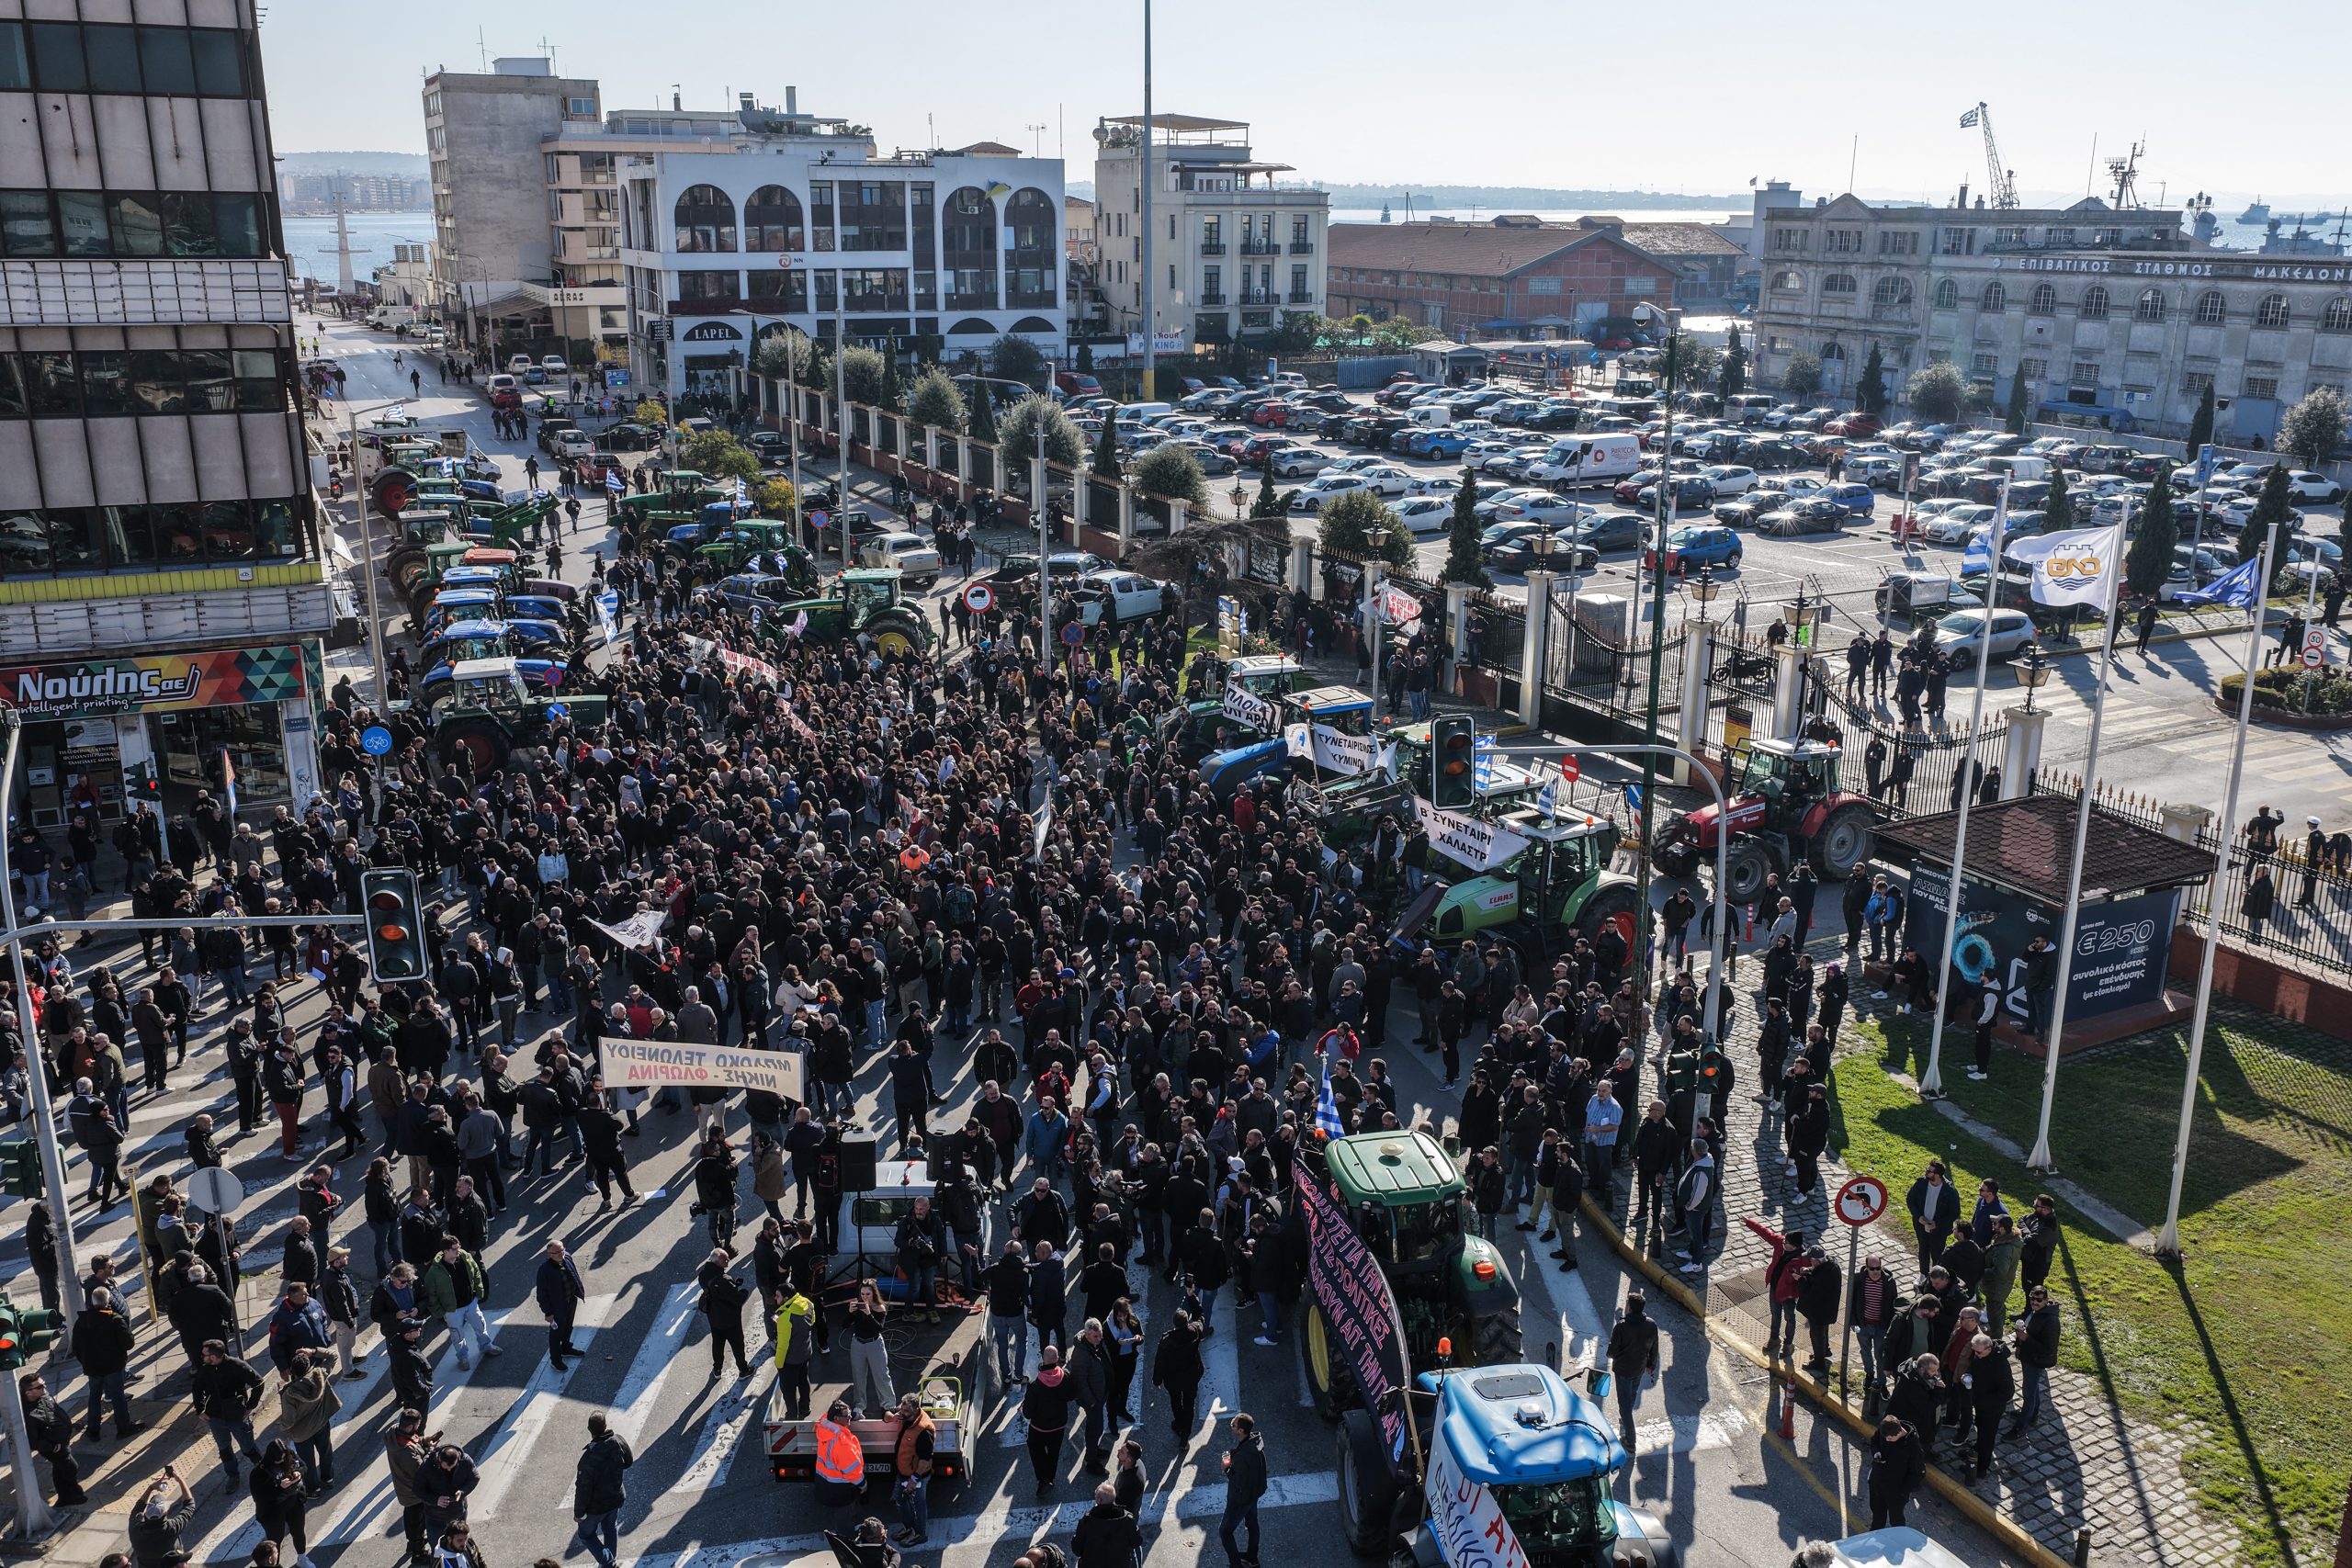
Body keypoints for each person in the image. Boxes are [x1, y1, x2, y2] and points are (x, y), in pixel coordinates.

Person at [193, 1337, 267, 1483]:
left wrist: (251, 1405)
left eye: (204, 1355)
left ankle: (263, 1470)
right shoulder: (205, 1370)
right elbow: (197, 1389)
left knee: (248, 1447)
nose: (202, 1357)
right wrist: (200, 1409)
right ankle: (233, 1476)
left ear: (213, 1357)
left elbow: (259, 1383)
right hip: (215, 1418)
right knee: (224, 1449)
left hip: (237, 1416)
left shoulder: (237, 1365)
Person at [572, 1410, 634, 1568]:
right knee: (610, 1529)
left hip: (596, 1508)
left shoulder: (587, 1460)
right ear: (605, 1425)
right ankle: (608, 1563)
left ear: (589, 1429)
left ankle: (608, 1563)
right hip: (615, 1498)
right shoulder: (617, 1441)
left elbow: (583, 1490)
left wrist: (579, 1514)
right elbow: (628, 1462)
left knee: (585, 1535)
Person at [20, 1371, 86, 1506]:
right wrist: (51, 1447)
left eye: (43, 1384)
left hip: (62, 1441)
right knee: (71, 1468)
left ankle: (69, 1495)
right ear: (28, 1392)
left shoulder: (44, 1396)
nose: (44, 1388)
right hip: (54, 1447)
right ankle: (68, 1495)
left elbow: (55, 1413)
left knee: (60, 1468)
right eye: (39, 1387)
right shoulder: (28, 1415)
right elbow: (33, 1440)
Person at [1604, 1292, 1660, 1447]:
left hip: (1623, 1370)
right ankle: (1625, 1417)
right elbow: (1655, 1348)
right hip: (1640, 1367)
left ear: (1629, 1307)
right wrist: (1651, 1365)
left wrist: (1610, 1351)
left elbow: (1612, 1352)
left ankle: (1630, 1440)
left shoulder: (1621, 1327)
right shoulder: (1651, 1324)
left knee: (1625, 1404)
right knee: (1632, 1394)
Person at [1020, 1344, 1074, 1497]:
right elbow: (1071, 1395)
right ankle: (1050, 1477)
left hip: (1040, 1427)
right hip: (1059, 1424)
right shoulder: (1065, 1376)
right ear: (1057, 1359)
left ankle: (1043, 1480)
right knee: (1054, 1451)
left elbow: (1028, 1413)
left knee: (1035, 1449)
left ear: (1043, 1359)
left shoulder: (1035, 1385)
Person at [2008, 1284, 2061, 1437]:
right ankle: (2033, 1416)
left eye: (2038, 1300)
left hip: (2036, 1360)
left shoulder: (2051, 1321)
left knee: (2028, 1393)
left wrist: (2026, 1338)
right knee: (2033, 1388)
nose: (2034, 1302)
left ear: (2046, 1300)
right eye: (2032, 1299)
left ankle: (2021, 1427)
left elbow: (2048, 1349)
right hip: (2028, 1357)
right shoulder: (2036, 1312)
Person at [1218, 1413, 1267, 1568]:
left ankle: (1235, 1565)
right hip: (1255, 1493)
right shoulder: (1256, 1442)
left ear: (1241, 1431)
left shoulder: (1242, 1457)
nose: (1231, 1426)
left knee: (1225, 1532)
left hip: (1241, 1499)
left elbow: (1238, 1480)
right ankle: (1252, 1557)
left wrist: (1226, 1469)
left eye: (1233, 1425)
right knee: (1252, 1524)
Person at [1152, 1306, 1205, 1443]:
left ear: (1174, 1324)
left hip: (1173, 1380)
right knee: (1189, 1404)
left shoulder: (1167, 1341)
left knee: (1175, 1401)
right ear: (1187, 1321)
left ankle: (1179, 1423)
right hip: (1191, 1377)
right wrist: (1192, 1297)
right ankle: (1185, 1436)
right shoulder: (1195, 1332)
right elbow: (1200, 1319)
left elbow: (1160, 1362)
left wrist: (1157, 1380)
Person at [888, 1392, 935, 1545]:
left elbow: (924, 1461)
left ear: (916, 1409)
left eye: (906, 1411)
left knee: (918, 1505)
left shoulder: (924, 1430)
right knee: (901, 1501)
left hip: (917, 1476)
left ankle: (920, 1534)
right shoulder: (904, 1414)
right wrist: (891, 1416)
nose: (902, 1413)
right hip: (903, 1473)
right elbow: (886, 1414)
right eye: (902, 1409)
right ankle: (909, 1528)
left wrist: (914, 1480)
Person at [125, 1467, 196, 1566]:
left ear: (146, 1515)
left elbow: (137, 1509)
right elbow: (189, 1505)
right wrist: (181, 1481)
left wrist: (150, 1488)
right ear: (165, 1513)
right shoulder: (172, 1528)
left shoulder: (136, 1530)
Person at [1866, 1416, 1926, 1529]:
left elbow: (1918, 1474)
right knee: (1877, 1514)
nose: (1887, 1440)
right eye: (1886, 1438)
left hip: (1896, 1491)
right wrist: (1876, 1452)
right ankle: (1875, 1532)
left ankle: (1899, 1538)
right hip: (1877, 1483)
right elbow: (1875, 1441)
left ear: (1899, 1432)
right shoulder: (1885, 1431)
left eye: (1890, 1439)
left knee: (1896, 1519)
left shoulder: (1913, 1448)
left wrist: (1902, 1492)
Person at [537, 1239, 587, 1370]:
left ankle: (565, 1348)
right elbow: (541, 1295)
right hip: (557, 1308)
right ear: (549, 1254)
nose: (561, 1254)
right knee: (556, 1334)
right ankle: (556, 1360)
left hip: (571, 1301)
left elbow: (574, 1274)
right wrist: (548, 1312)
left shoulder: (567, 1257)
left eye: (562, 1250)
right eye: (557, 1252)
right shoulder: (544, 1270)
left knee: (568, 1327)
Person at [846, 1280, 893, 1416]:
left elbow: (878, 1328)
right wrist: (850, 1313)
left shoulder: (880, 1308)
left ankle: (888, 1404)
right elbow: (844, 1325)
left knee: (882, 1375)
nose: (865, 1297)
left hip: (874, 1343)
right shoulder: (857, 1307)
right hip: (858, 1344)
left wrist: (869, 1314)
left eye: (868, 1294)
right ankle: (860, 1404)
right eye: (862, 1294)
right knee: (858, 1376)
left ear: (874, 1294)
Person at [1905, 1158, 1961, 1272]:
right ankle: (1923, 1274)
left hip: (1939, 1230)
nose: (1926, 1172)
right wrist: (1918, 1216)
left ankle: (1936, 1276)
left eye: (1929, 1171)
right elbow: (1910, 1200)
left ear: (1938, 1175)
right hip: (1921, 1226)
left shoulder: (1949, 1191)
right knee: (1923, 1250)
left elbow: (1955, 1212)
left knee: (1937, 1254)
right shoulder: (1921, 1183)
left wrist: (1937, 1224)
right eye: (1927, 1170)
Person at [1072, 1479, 1142, 1568]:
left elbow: (1077, 1549)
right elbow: (1137, 1542)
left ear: (1099, 1500)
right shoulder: (1128, 1520)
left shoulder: (1086, 1522)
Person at [775, 1280, 819, 1420]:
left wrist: (779, 1363)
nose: (776, 1298)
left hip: (790, 1360)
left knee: (788, 1390)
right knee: (803, 1382)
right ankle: (805, 1408)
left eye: (778, 1296)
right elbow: (812, 1321)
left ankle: (791, 1415)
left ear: (786, 1298)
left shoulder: (785, 1317)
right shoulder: (808, 1303)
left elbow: (783, 1344)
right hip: (805, 1353)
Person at [813, 1398, 865, 1506]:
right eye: (847, 1415)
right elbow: (853, 1471)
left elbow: (826, 1415)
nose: (850, 1417)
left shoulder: (824, 1427)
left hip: (824, 1484)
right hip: (841, 1490)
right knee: (846, 1517)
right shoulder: (842, 1444)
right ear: (836, 1418)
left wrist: (853, 1415)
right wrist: (863, 1484)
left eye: (850, 1414)